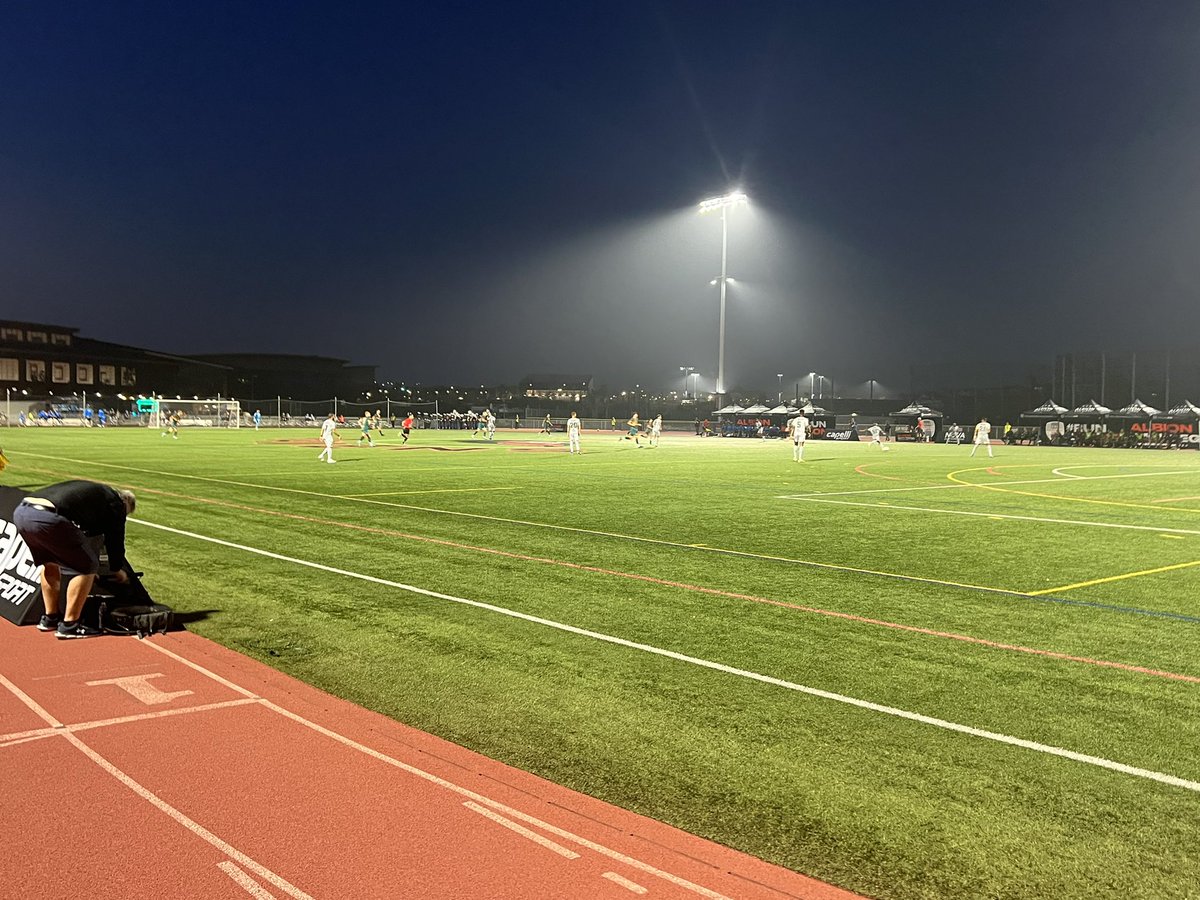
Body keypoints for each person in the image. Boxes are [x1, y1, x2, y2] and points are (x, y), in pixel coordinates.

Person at [12, 481, 136, 639]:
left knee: (50, 563)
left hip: (22, 512)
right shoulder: (116, 503)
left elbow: (85, 532)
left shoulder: (95, 493)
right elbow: (115, 539)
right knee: (88, 567)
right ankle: (70, 626)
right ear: (125, 504)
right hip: (48, 517)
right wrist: (117, 569)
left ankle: (50, 618)